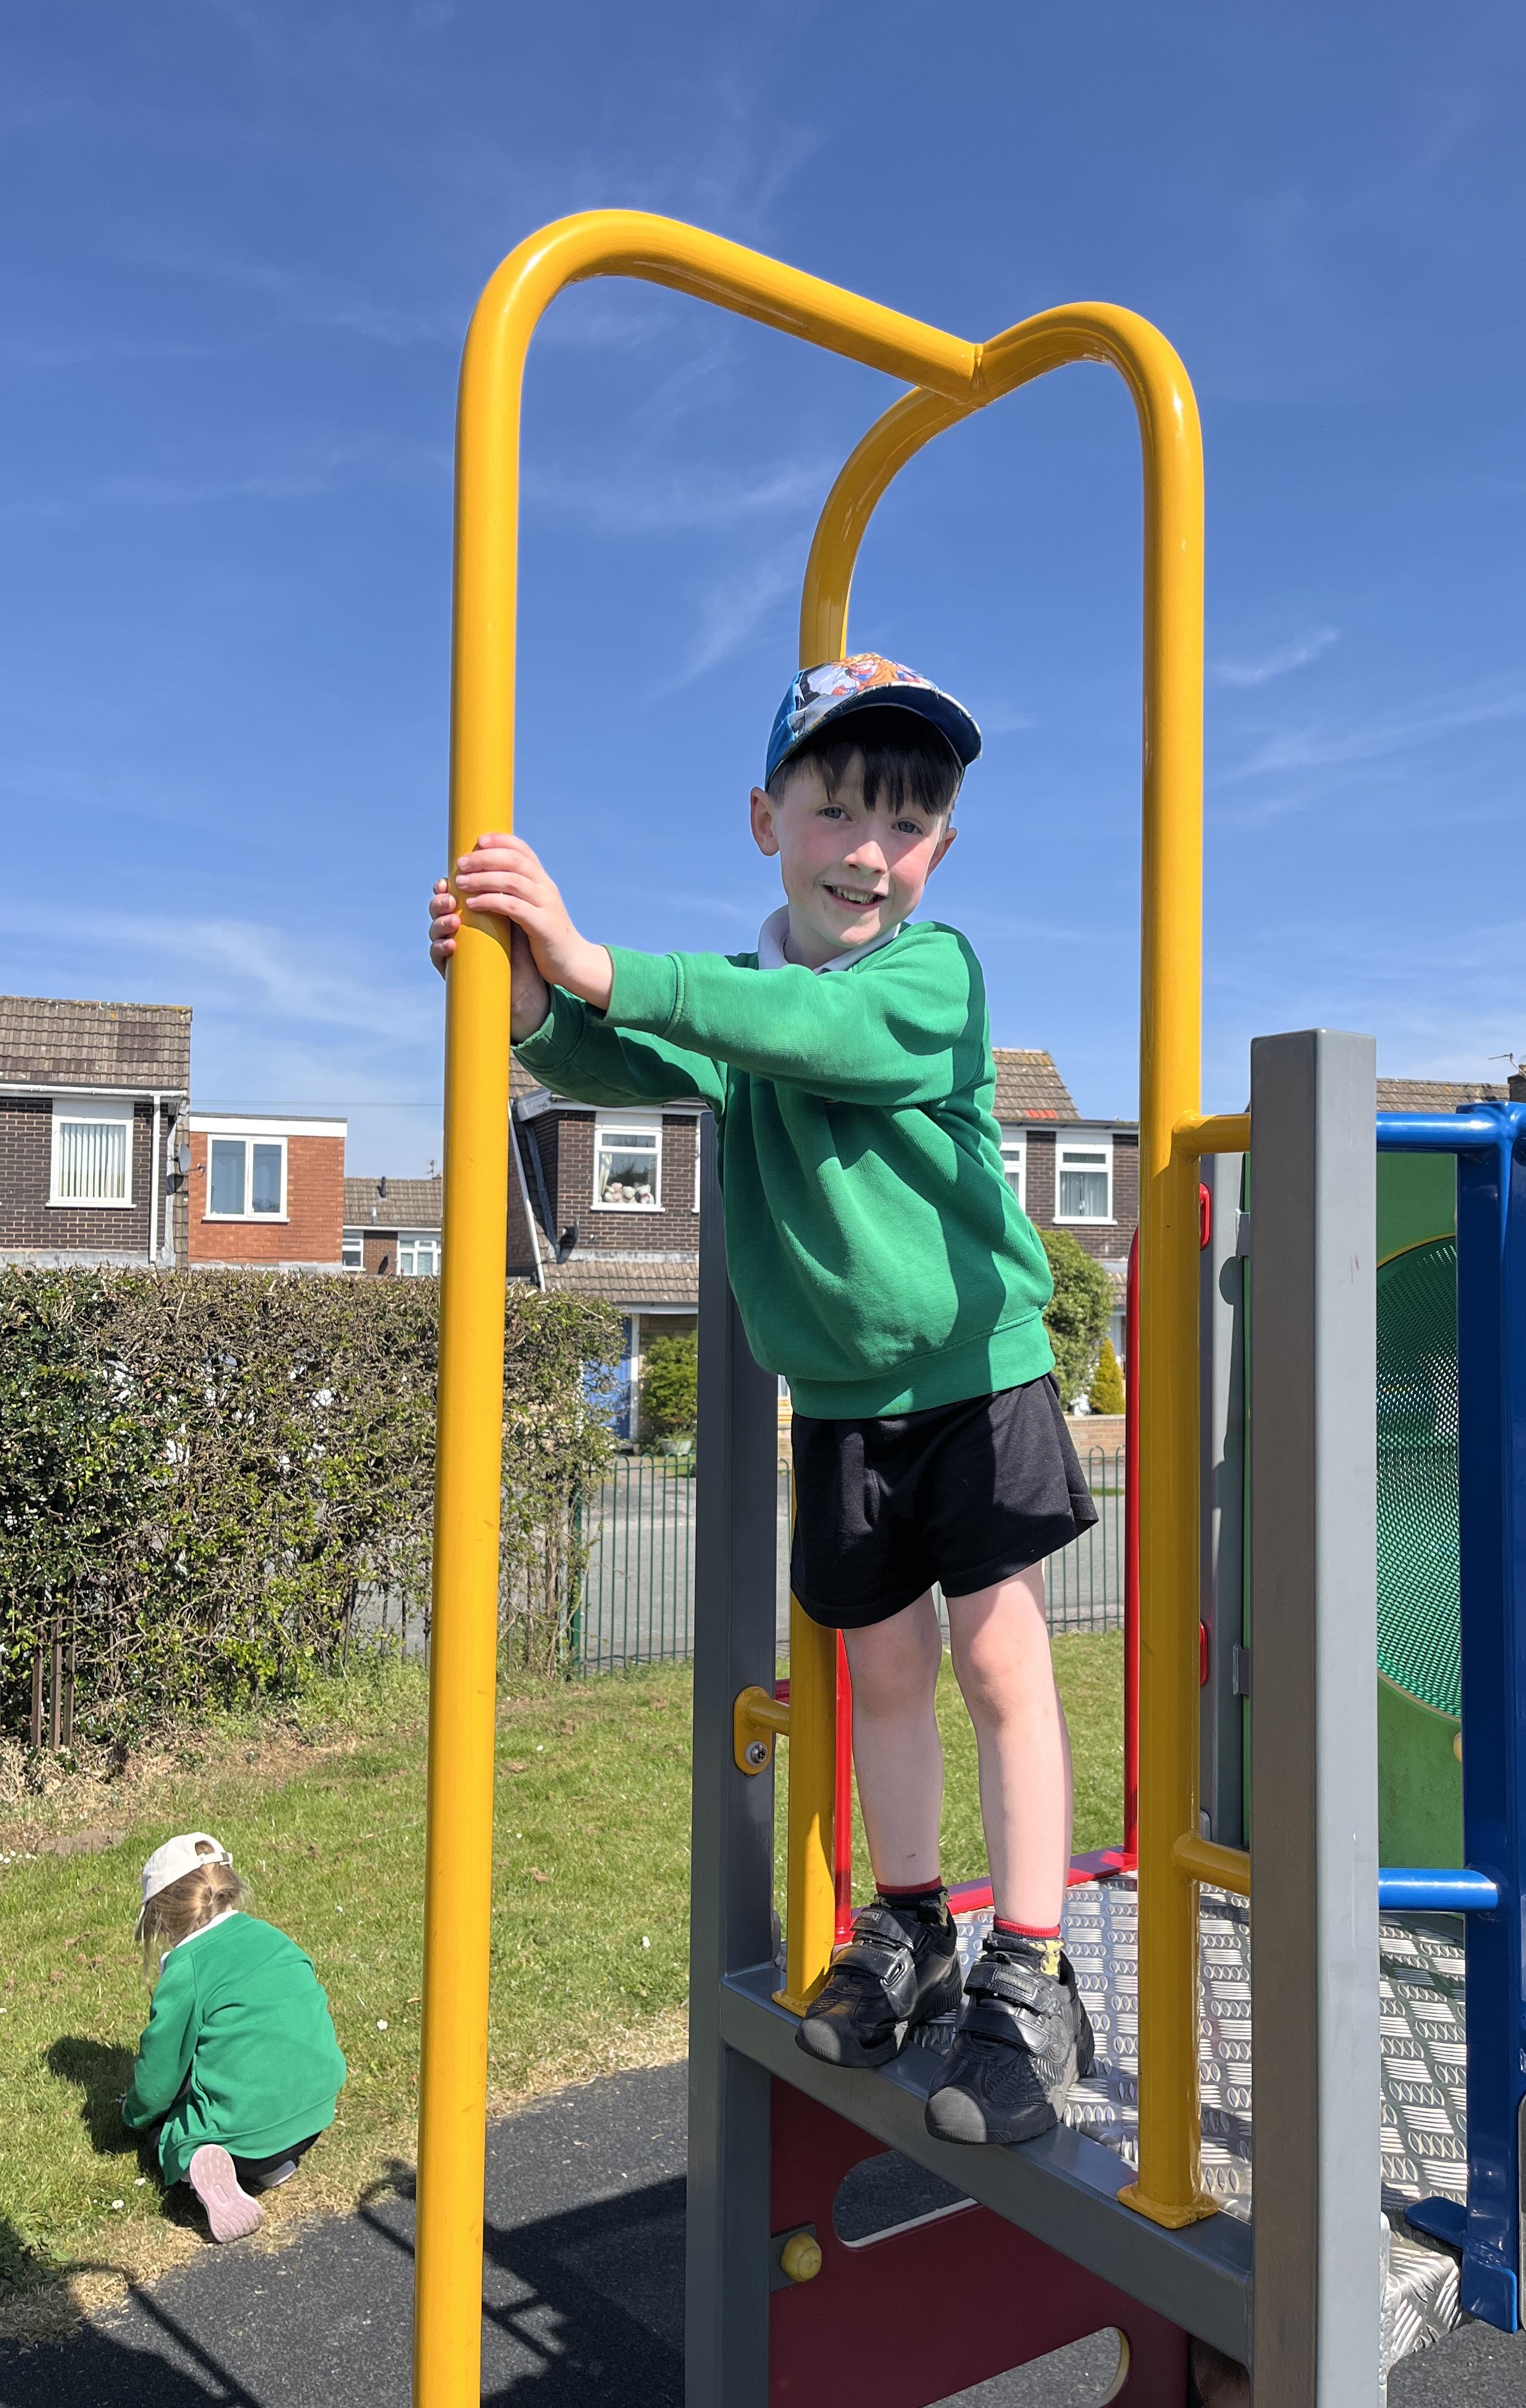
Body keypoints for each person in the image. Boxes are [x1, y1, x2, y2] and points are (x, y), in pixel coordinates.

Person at [428, 653, 1097, 2145]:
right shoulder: (747, 1009)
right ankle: (912, 1923)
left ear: (940, 852)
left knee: (999, 1666)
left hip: (976, 1374)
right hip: (844, 1404)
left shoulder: (935, 979)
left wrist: (601, 961)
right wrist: (528, 992)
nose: (869, 851)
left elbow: (815, 1035)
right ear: (766, 821)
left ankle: (1033, 1967)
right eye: (837, 810)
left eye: (906, 825)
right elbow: (631, 1048)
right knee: (883, 1678)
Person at [123, 1832, 348, 2241]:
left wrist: (132, 2113)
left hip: (244, 2132)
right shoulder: (272, 1937)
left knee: (162, 2130)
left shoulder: (187, 1969)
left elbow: (157, 2083)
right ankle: (273, 2167)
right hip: (315, 2112)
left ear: (161, 1917)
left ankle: (203, 2161)